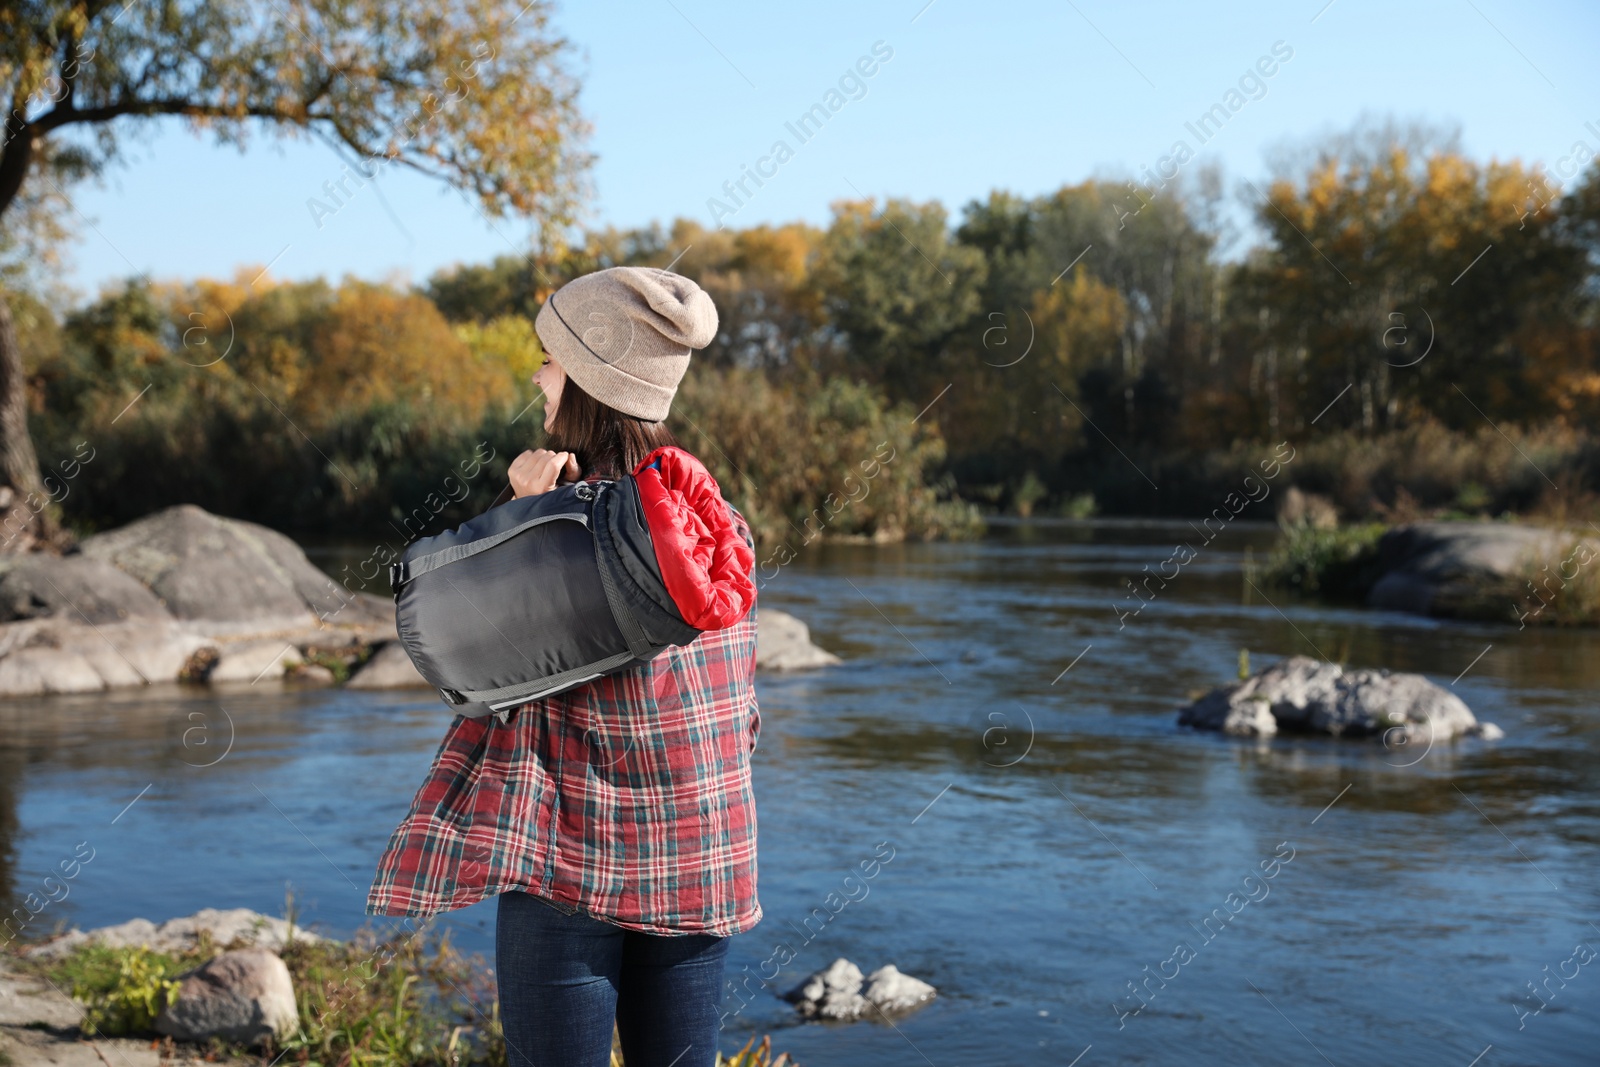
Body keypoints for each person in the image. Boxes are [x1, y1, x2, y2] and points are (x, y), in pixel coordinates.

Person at [367, 267, 761, 1067]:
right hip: (703, 859)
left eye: (548, 357)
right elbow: (742, 719)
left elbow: (457, 656)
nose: (538, 375)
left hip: (570, 867)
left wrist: (520, 515)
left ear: (587, 376)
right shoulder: (718, 532)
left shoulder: (567, 531)